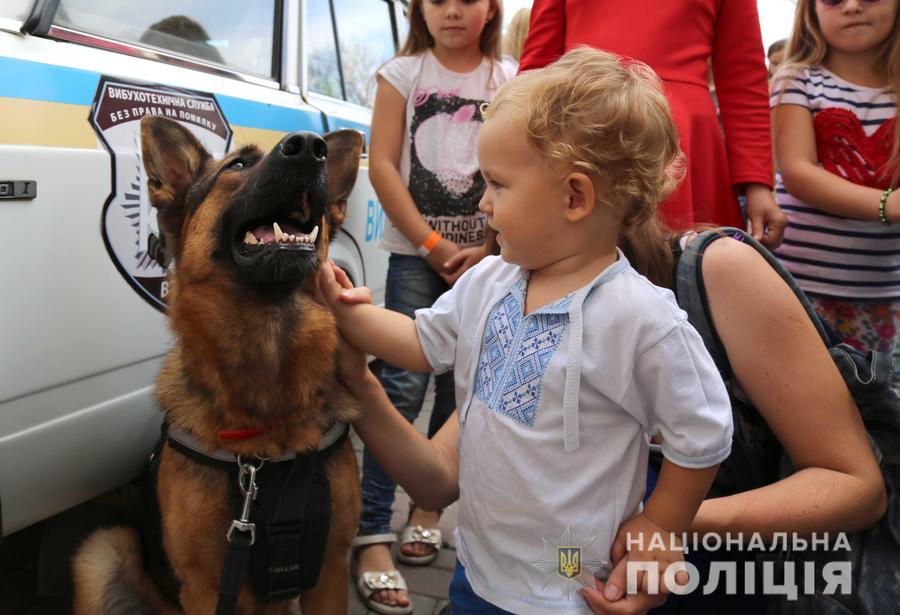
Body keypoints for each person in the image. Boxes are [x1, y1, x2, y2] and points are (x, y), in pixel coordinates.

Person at [323, 48, 735, 614]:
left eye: (496, 184)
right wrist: (346, 310)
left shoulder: (642, 319)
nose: (482, 202)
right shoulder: (490, 279)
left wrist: (659, 525)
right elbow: (422, 343)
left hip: (570, 586)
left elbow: (703, 432)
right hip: (477, 567)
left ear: (574, 196)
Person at [357, 0, 514, 612]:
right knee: (398, 385)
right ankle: (371, 530)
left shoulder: (509, 79)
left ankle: (429, 508)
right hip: (414, 259)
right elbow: (385, 169)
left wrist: (487, 246)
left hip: (488, 257)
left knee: (462, 386)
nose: (453, 9)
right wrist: (431, 244)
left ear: (492, 8)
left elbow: (517, 167)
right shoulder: (403, 75)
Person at [518, 0, 788, 249]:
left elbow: (741, 74)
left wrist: (757, 186)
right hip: (580, 128)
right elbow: (538, 66)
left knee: (684, 277)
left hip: (681, 145)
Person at [771, 0, 900, 354]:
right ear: (811, 10)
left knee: (869, 398)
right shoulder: (798, 78)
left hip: (882, 288)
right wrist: (888, 205)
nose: (853, 7)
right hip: (798, 280)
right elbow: (797, 171)